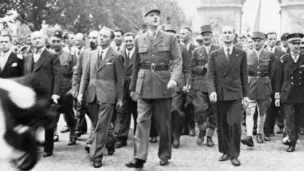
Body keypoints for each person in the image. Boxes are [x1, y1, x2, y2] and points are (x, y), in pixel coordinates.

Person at [125, 5, 182, 169]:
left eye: (157, 15)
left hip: (163, 84)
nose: (155, 17)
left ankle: (164, 154)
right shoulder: (139, 39)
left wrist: (174, 79)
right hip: (144, 85)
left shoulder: (169, 38)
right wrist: (133, 88)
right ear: (145, 19)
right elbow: (136, 65)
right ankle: (139, 157)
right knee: (141, 121)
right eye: (151, 15)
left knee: (163, 124)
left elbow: (177, 61)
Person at [77, 27, 124, 168]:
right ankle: (110, 141)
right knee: (99, 126)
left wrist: (120, 98)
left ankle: (96, 156)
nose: (101, 38)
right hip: (91, 95)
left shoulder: (116, 56)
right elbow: (85, 75)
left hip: (108, 95)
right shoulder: (90, 54)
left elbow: (120, 79)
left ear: (110, 39)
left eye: (104, 36)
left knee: (102, 126)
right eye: (100, 36)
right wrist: (80, 93)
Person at [207, 26, 249, 167]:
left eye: (229, 33)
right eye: (224, 33)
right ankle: (225, 151)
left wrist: (246, 95)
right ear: (221, 36)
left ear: (234, 35)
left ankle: (234, 154)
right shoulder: (214, 54)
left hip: (236, 95)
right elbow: (210, 75)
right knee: (222, 125)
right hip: (220, 94)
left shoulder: (241, 53)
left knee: (235, 124)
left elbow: (244, 76)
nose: (227, 35)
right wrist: (212, 90)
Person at [23, 31, 61, 157]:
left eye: (39, 38)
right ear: (31, 41)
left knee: (48, 121)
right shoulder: (27, 57)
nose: (37, 41)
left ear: (45, 40)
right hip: (31, 95)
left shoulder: (52, 56)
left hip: (46, 94)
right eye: (34, 39)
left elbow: (57, 76)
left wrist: (55, 93)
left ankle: (48, 148)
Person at [241, 32, 275, 147]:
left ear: (264, 42)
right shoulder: (246, 54)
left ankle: (260, 132)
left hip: (264, 86)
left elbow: (272, 72)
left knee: (262, 111)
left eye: (259, 41)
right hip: (251, 86)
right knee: (249, 111)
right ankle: (249, 135)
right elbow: (244, 73)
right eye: (254, 41)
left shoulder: (269, 55)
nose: (256, 43)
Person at [274, 33, 304, 152]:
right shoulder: (283, 60)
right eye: (294, 43)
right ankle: (292, 142)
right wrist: (277, 95)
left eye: (299, 43)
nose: (297, 46)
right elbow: (278, 79)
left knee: (298, 119)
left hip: (301, 94)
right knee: (290, 118)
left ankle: (293, 138)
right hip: (287, 93)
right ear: (289, 44)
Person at [191, 25, 219, 147]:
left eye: (208, 35)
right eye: (204, 35)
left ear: (212, 36)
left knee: (214, 112)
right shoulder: (196, 51)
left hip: (214, 85)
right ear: (201, 37)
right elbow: (191, 68)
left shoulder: (218, 49)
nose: (206, 37)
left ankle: (209, 137)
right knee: (200, 109)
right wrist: (203, 68)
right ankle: (202, 130)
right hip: (200, 84)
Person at [165, 27, 191, 148]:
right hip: (162, 84)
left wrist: (187, 83)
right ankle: (167, 135)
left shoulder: (182, 49)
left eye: (173, 35)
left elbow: (187, 69)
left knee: (175, 110)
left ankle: (176, 136)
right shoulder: (160, 48)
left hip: (177, 85)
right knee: (165, 111)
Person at [50, 30, 77, 146]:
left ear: (63, 42)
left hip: (66, 90)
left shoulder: (70, 56)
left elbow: (76, 74)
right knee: (52, 113)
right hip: (52, 90)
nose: (56, 43)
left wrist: (73, 88)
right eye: (53, 41)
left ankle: (73, 133)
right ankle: (54, 133)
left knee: (69, 113)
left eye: (58, 41)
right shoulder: (48, 56)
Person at [72, 30, 99, 146]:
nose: (92, 40)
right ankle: (104, 140)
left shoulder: (106, 53)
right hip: (87, 92)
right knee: (93, 117)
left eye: (95, 38)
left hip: (102, 92)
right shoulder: (85, 54)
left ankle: (93, 141)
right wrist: (76, 88)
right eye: (90, 38)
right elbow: (78, 73)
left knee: (99, 119)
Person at [113, 32, 138, 148]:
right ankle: (122, 138)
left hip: (136, 88)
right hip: (123, 89)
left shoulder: (139, 54)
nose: (128, 43)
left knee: (138, 113)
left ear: (134, 41)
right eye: (126, 41)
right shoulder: (120, 55)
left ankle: (139, 137)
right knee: (123, 112)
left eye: (130, 41)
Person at [264, 32, 286, 138]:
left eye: (274, 39)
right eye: (270, 39)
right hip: (264, 84)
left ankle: (270, 129)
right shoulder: (263, 52)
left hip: (276, 83)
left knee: (274, 107)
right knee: (264, 107)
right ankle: (263, 130)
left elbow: (282, 71)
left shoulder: (281, 53)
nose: (272, 41)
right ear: (266, 40)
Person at [179, 26, 196, 136]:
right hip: (179, 79)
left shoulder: (195, 48)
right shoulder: (177, 48)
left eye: (184, 33)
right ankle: (183, 127)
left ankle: (191, 127)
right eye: (180, 33)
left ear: (190, 35)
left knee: (189, 104)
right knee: (180, 104)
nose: (181, 35)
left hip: (191, 79)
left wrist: (189, 82)